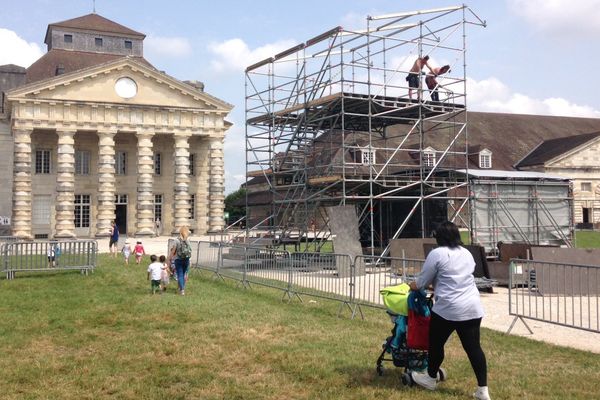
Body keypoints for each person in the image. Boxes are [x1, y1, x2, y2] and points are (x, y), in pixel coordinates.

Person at [409, 221, 491, 400]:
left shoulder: (437, 253)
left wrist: (412, 286)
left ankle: (430, 378)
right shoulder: (467, 253)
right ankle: (483, 390)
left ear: (440, 237)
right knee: (474, 348)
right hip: (472, 307)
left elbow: (422, 281)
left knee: (436, 344)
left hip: (448, 308)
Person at [169, 226, 192, 295]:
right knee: (184, 274)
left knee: (180, 275)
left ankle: (182, 290)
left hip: (178, 260)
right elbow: (190, 251)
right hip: (186, 259)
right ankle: (180, 287)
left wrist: (170, 258)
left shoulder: (176, 240)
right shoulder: (188, 241)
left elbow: (173, 251)